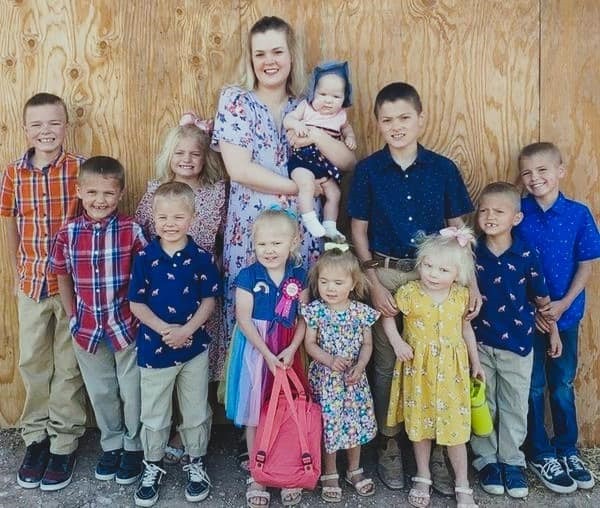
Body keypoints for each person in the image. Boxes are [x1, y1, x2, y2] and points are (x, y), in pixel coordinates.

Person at [348, 82, 478, 493]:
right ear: (378, 124)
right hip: (386, 273)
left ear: (421, 118)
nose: (397, 126)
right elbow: (358, 231)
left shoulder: (443, 169)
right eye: (387, 120)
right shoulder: (368, 171)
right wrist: (373, 283)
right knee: (388, 363)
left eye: (404, 117)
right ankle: (389, 443)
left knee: (438, 362)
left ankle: (439, 449)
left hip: (437, 278)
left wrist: (471, 283)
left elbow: (459, 230)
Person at [212, 15, 355, 341]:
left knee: (299, 318)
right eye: (260, 54)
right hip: (252, 231)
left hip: (300, 233)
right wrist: (302, 187)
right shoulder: (237, 101)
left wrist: (317, 135)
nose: (269, 61)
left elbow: (348, 162)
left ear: (291, 55)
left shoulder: (308, 105)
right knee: (251, 319)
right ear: (250, 59)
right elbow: (239, 169)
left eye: (277, 52)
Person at [0, 92, 87, 491]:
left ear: (66, 126)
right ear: (25, 130)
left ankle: (64, 441)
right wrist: (17, 268)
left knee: (69, 365)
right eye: (36, 125)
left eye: (53, 123)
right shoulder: (13, 173)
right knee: (33, 362)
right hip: (32, 283)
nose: (45, 131)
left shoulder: (80, 169)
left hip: (71, 287)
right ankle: (35, 438)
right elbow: (10, 222)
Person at [135, 114, 228, 465]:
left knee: (198, 363)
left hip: (201, 288)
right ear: (169, 155)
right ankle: (165, 431)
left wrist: (217, 264)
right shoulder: (156, 191)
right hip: (163, 291)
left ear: (205, 159)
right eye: (180, 153)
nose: (187, 159)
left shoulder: (215, 192)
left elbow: (224, 234)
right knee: (164, 364)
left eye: (195, 154)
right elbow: (142, 233)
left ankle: (191, 433)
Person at [49, 156, 146, 484]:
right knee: (102, 391)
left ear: (120, 194)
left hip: (126, 325)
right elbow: (62, 275)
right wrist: (72, 316)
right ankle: (112, 444)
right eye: (92, 192)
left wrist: (141, 314)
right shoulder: (68, 233)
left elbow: (145, 275)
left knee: (132, 390)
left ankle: (134, 445)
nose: (100, 200)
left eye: (108, 193)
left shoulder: (131, 230)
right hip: (87, 329)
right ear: (79, 191)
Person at [128, 182, 219, 507]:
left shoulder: (201, 258)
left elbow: (209, 300)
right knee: (154, 412)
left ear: (192, 218)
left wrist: (188, 330)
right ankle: (152, 465)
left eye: (178, 217)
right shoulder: (144, 258)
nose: (170, 224)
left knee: (195, 409)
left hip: (194, 348)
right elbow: (136, 303)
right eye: (163, 217)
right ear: (153, 218)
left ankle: (196, 463)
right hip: (154, 349)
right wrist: (166, 329)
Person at [517, 142, 600, 493]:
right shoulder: (518, 213)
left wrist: (564, 303)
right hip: (527, 318)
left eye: (542, 170)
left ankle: (567, 449)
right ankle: (539, 452)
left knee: (563, 384)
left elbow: (586, 264)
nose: (534, 178)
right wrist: (535, 309)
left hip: (566, 317)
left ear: (561, 171)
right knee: (533, 385)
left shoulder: (578, 214)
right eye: (526, 173)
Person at [470, 182, 561, 498]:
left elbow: (542, 299)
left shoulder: (525, 253)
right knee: (483, 403)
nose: (490, 216)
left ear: (516, 218)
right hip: (479, 343)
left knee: (514, 405)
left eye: (499, 211)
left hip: (518, 345)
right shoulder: (470, 252)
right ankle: (486, 461)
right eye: (484, 210)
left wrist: (553, 330)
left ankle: (512, 462)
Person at [384, 227, 484, 508]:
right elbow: (388, 317)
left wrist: (476, 362)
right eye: (427, 266)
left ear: (458, 274)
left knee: (455, 429)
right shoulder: (409, 292)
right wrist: (397, 343)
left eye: (443, 270)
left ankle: (462, 483)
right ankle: (423, 475)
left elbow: (466, 329)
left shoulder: (460, 296)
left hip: (452, 372)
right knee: (420, 425)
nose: (433, 274)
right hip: (419, 371)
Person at [224, 207, 308, 508]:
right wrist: (267, 354)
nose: (269, 250)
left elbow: (304, 317)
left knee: (286, 407)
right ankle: (257, 473)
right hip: (256, 350)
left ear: (293, 242)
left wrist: (292, 349)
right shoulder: (248, 276)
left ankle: (285, 469)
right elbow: (243, 319)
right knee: (254, 409)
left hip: (287, 349)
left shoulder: (299, 275)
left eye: (276, 243)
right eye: (262, 244)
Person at [302, 247, 378, 503]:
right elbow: (310, 344)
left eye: (338, 282)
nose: (330, 288)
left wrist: (361, 365)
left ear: (353, 283)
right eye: (324, 282)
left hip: (353, 380)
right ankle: (330, 470)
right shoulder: (316, 311)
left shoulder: (361, 312)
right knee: (329, 425)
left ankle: (354, 469)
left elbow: (367, 344)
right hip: (326, 380)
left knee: (354, 423)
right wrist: (329, 360)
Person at [283, 60, 356, 241]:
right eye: (322, 94)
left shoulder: (340, 116)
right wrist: (297, 124)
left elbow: (347, 129)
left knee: (335, 193)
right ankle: (309, 218)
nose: (328, 101)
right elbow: (288, 120)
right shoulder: (306, 108)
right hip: (303, 161)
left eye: (336, 97)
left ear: (344, 98)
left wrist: (350, 137)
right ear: (312, 92)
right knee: (306, 185)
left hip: (324, 166)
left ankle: (330, 226)